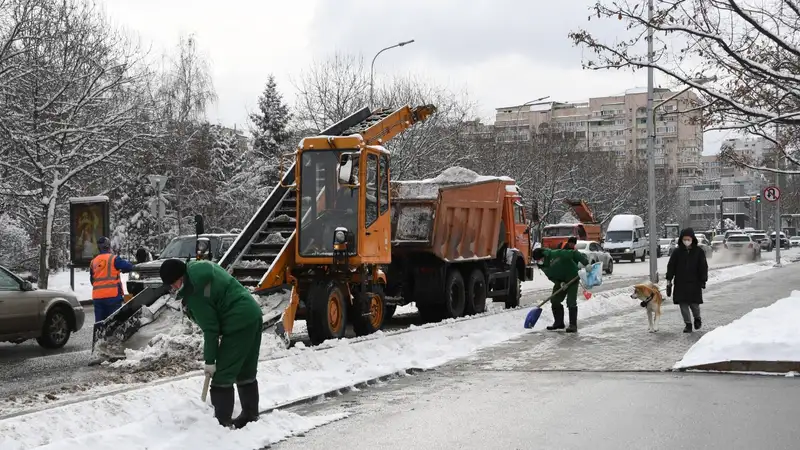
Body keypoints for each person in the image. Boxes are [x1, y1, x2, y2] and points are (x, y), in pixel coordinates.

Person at [159, 258, 264, 429]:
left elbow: (211, 330)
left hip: (238, 321)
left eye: (175, 284)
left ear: (181, 277)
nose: (174, 288)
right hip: (252, 313)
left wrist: (210, 362)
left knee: (222, 376)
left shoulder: (196, 293)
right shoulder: (197, 270)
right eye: (171, 286)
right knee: (245, 370)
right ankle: (250, 415)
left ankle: (220, 424)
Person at [532, 246, 589, 333]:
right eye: (537, 261)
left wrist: (586, 263)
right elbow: (550, 276)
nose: (538, 262)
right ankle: (559, 323)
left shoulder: (556, 254)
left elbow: (574, 253)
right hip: (561, 282)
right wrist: (560, 283)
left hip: (572, 277)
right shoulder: (542, 266)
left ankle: (573, 325)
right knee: (554, 300)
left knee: (571, 301)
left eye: (539, 259)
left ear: (544, 255)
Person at [666, 228, 708, 333]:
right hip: (680, 283)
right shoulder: (677, 252)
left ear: (692, 239)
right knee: (683, 305)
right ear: (681, 239)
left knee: (694, 304)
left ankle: (697, 319)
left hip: (694, 283)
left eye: (688, 239)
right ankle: (688, 324)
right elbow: (671, 266)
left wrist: (703, 280)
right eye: (684, 239)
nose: (686, 241)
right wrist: (669, 280)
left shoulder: (699, 252)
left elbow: (703, 266)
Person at [89, 236, 134, 323]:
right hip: (113, 297)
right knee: (114, 323)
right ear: (108, 246)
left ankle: (100, 337)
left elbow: (92, 280)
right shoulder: (114, 259)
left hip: (97, 298)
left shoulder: (93, 262)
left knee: (100, 324)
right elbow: (128, 267)